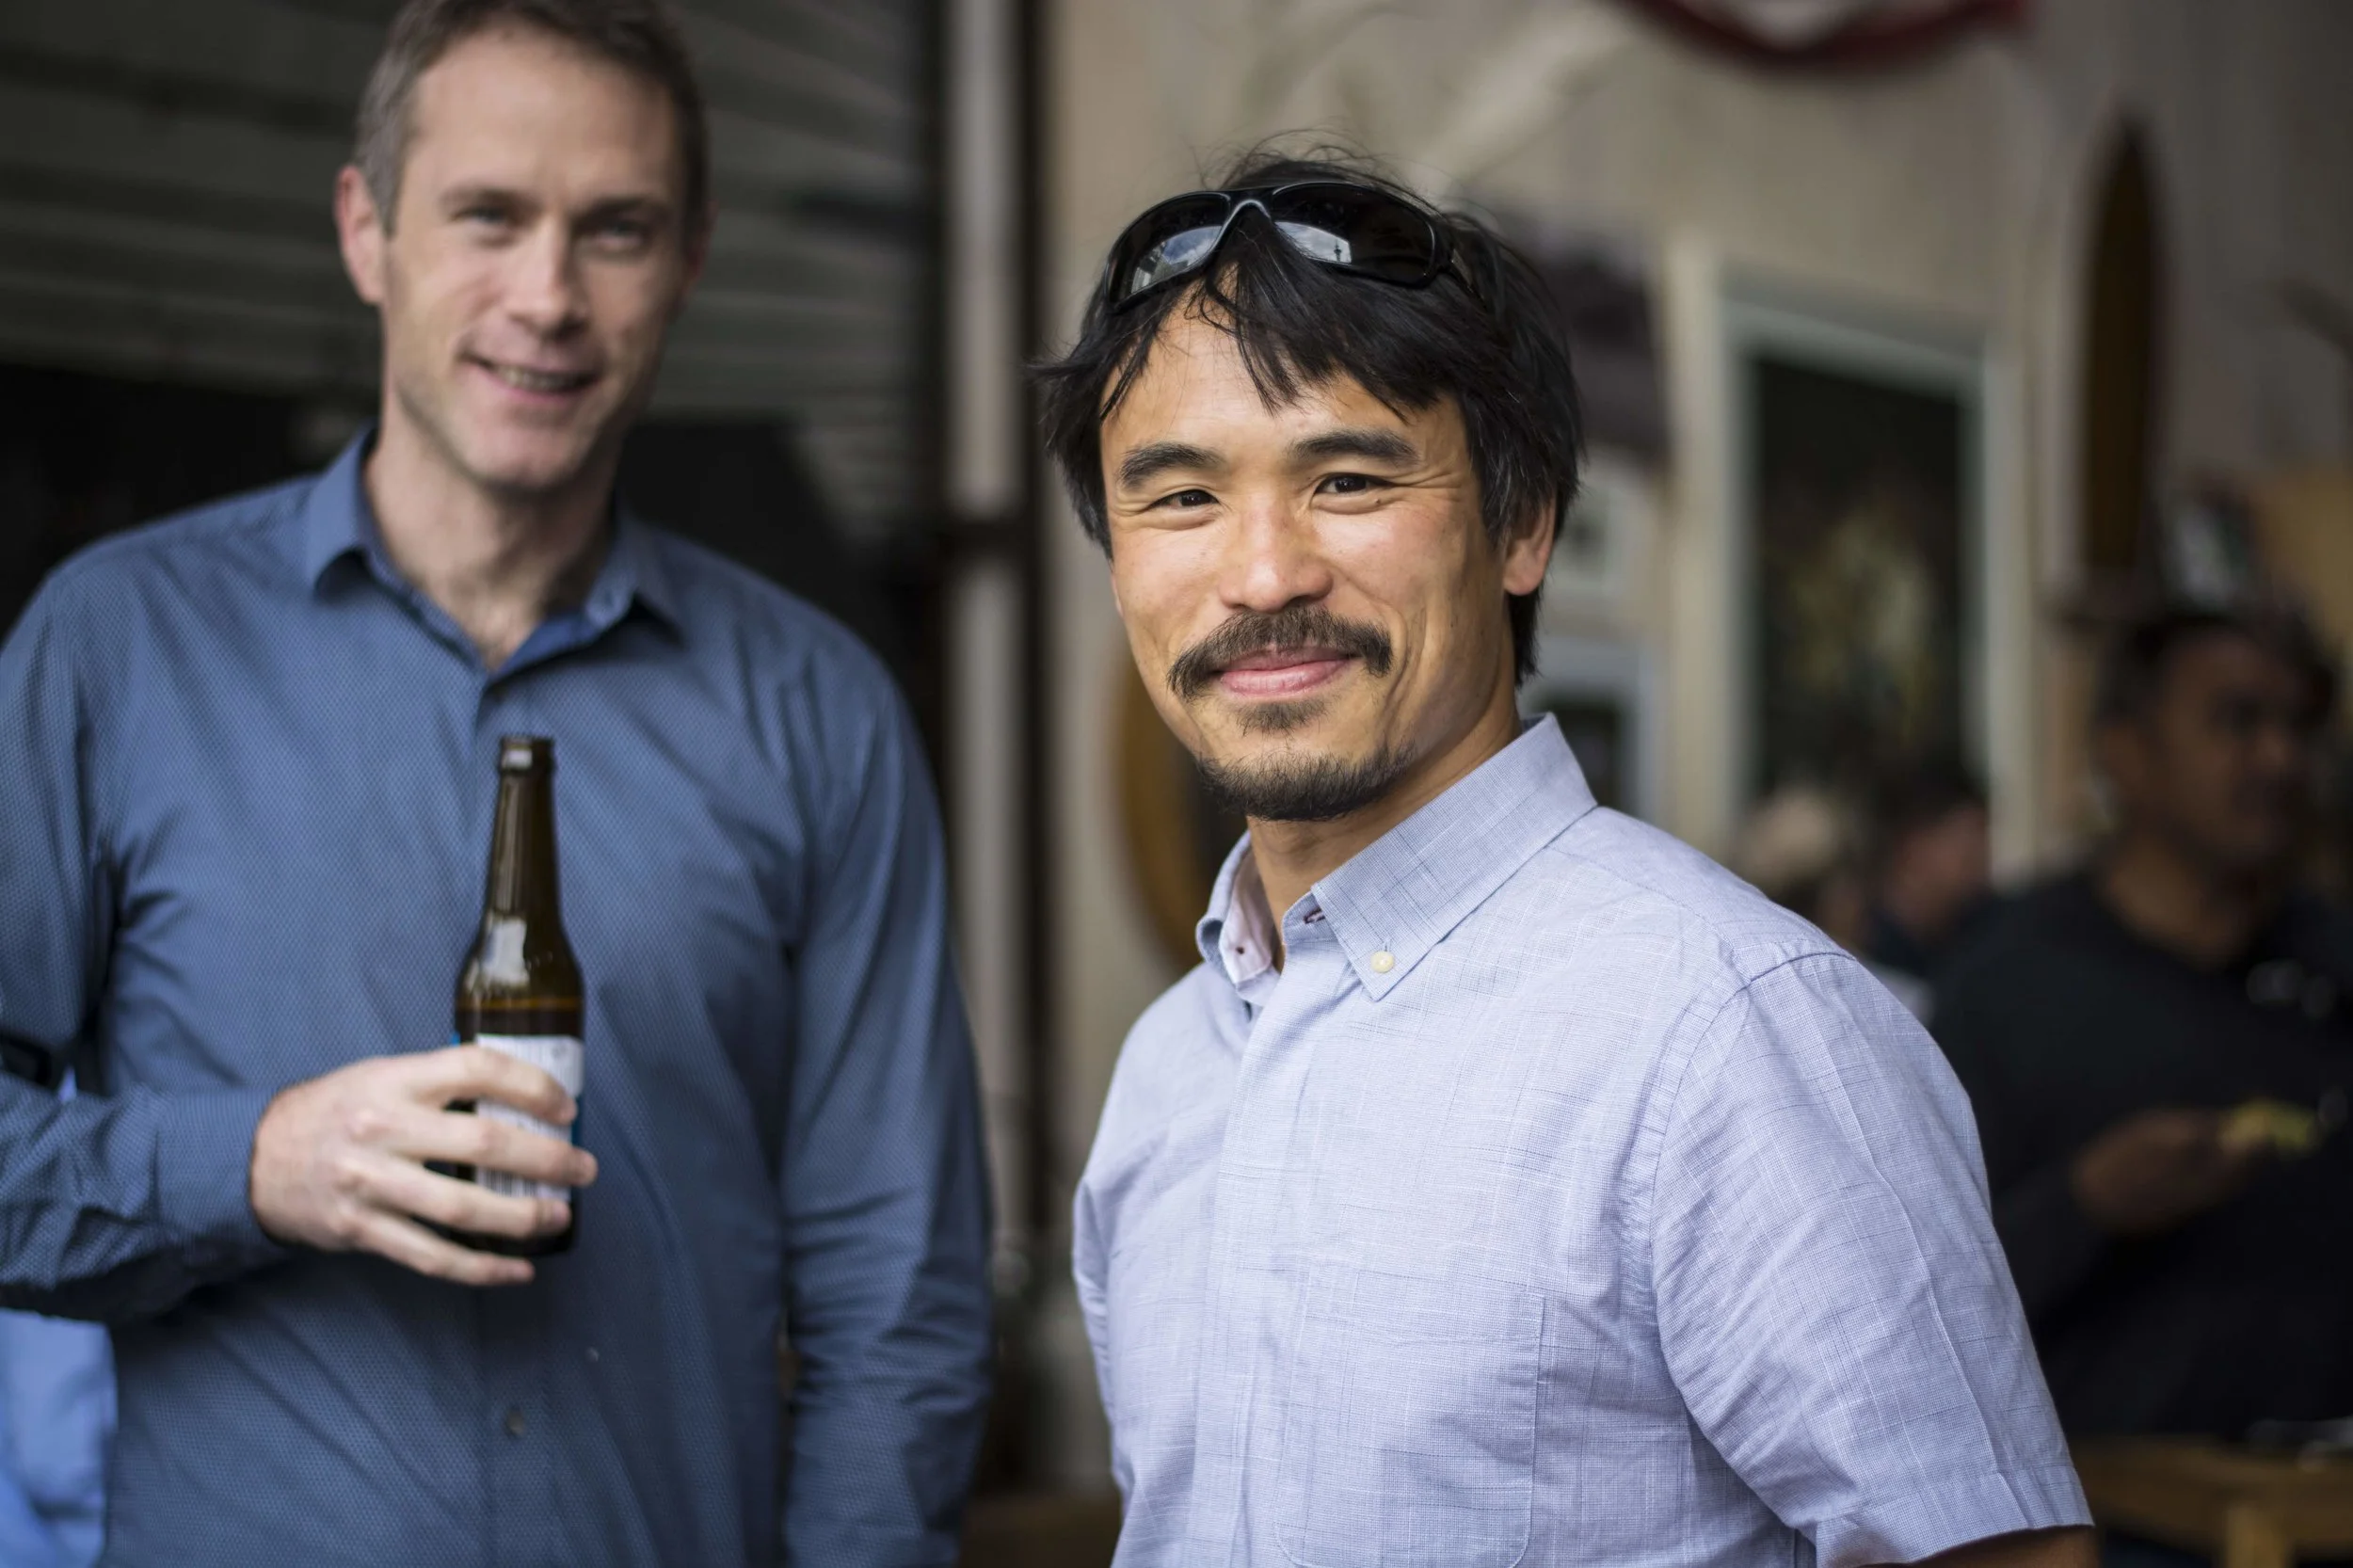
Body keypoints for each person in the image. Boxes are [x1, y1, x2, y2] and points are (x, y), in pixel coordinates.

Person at [0, 3, 991, 1564]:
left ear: (692, 258)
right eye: (487, 216)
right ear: (366, 229)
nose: (548, 297)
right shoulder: (115, 649)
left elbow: (900, 1296)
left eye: (616, 229)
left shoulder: (818, 713)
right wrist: (252, 1165)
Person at [1042, 149, 2092, 1568]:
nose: (1265, 572)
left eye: (1347, 477)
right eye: (1180, 499)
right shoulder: (1170, 1070)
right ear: (1117, 561)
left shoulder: (1730, 1027)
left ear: (1524, 521)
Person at [1934, 602, 2353, 1446]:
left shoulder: (2336, 964)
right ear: (2125, 752)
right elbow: (1917, 1298)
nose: (2280, 759)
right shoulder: (2009, 985)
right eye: (2238, 721)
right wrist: (2086, 1205)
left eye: (2300, 725)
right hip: (2107, 1506)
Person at [1858, 761, 1994, 1018]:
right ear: (1913, 846)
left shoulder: (1978, 934)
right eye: (1966, 844)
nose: (1983, 859)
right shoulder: (1864, 957)